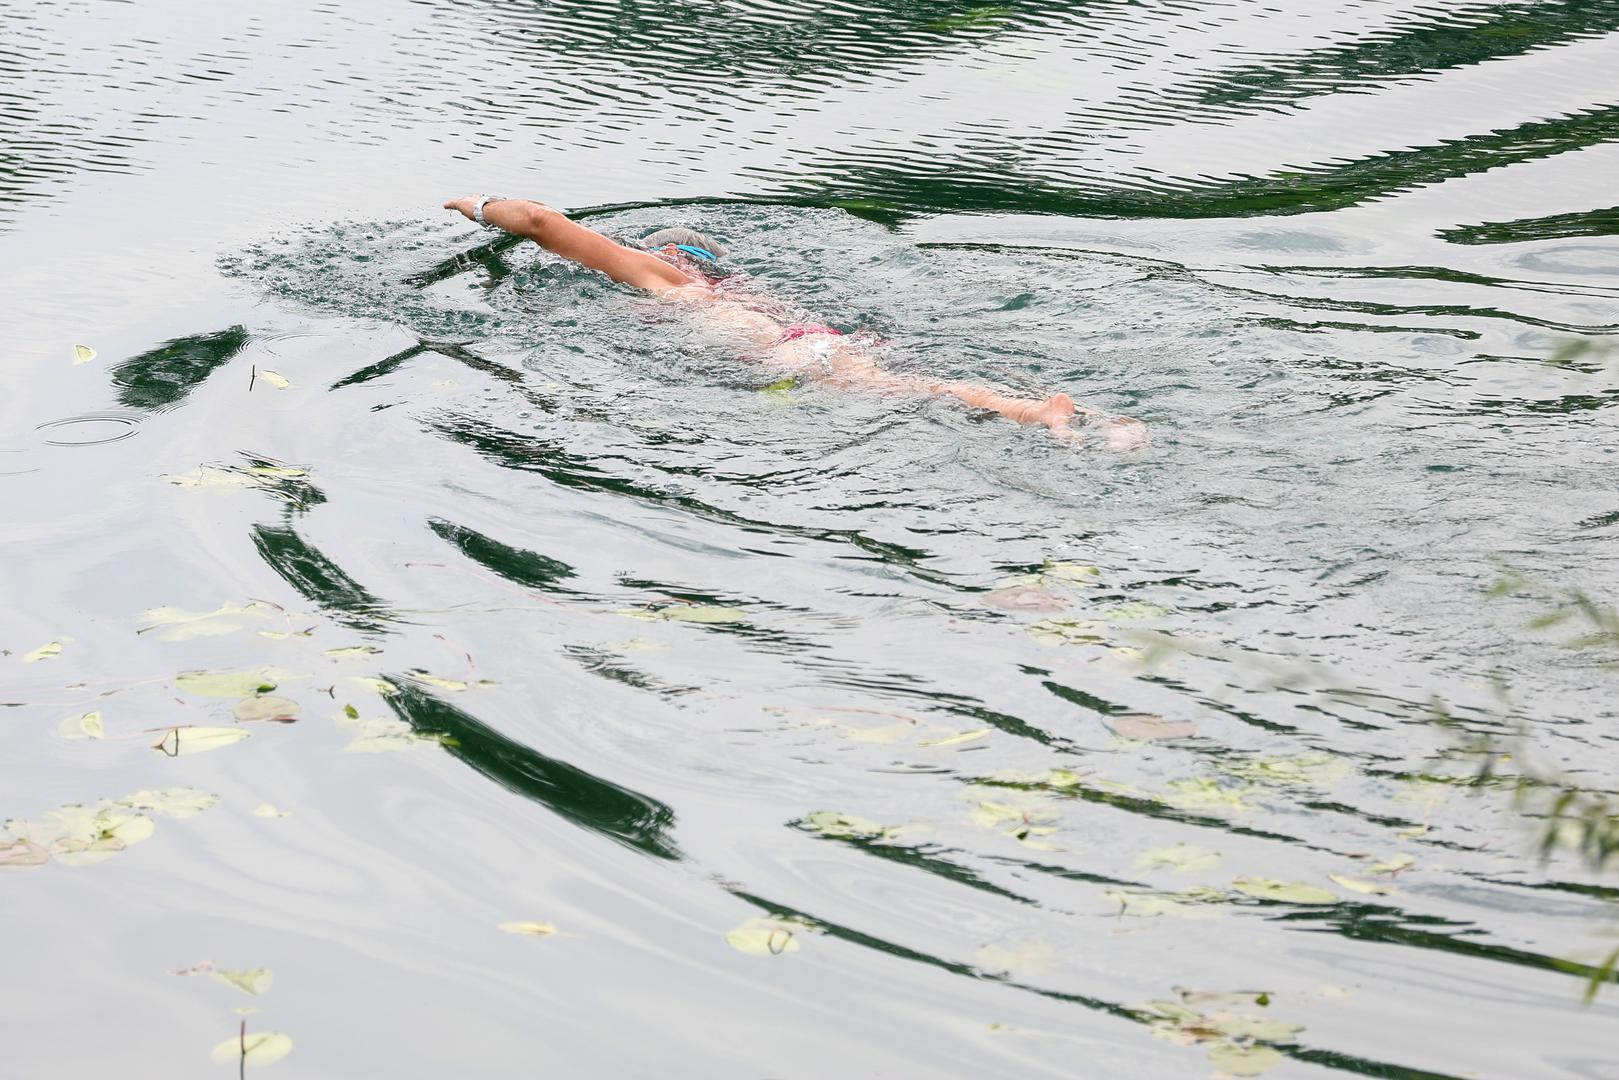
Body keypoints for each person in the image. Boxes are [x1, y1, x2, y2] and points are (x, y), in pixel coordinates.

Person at [442, 195, 1145, 448]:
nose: (641, 259)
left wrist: (474, 205)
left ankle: (1037, 413)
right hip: (802, 344)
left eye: (652, 252)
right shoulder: (735, 292)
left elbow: (537, 222)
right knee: (906, 386)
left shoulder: (668, 283)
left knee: (910, 392)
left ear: (674, 261)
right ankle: (1039, 413)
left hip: (786, 356)